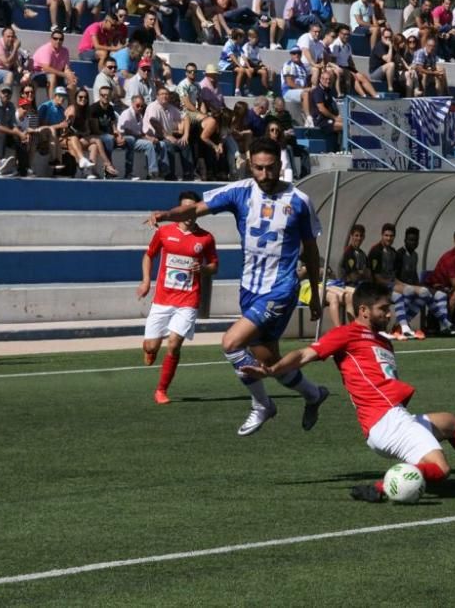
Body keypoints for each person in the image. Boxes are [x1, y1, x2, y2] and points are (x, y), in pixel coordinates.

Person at [244, 281, 455, 502]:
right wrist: (273, 370)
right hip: (386, 422)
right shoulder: (347, 334)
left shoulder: (381, 339)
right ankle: (382, 487)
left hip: (393, 417)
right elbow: (304, 355)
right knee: (441, 469)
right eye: (383, 309)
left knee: (450, 423)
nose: (389, 314)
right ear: (363, 310)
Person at [146, 138, 330, 437]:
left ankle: (262, 405)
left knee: (231, 343)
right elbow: (196, 210)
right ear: (249, 164)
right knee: (270, 361)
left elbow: (310, 249)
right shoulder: (239, 191)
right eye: (259, 168)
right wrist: (166, 215)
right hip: (250, 289)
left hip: (281, 288)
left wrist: (314, 294)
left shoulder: (299, 201)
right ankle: (313, 394)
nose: (265, 174)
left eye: (271, 168)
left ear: (279, 166)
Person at [138, 191, 219, 404]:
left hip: (188, 300)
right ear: (178, 210)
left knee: (174, 344)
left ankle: (161, 390)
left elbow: (214, 266)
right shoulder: (165, 233)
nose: (189, 214)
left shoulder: (206, 238)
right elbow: (149, 255)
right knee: (151, 346)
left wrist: (202, 268)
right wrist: (146, 281)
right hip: (163, 299)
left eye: (193, 209)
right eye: (185, 209)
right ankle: (150, 350)